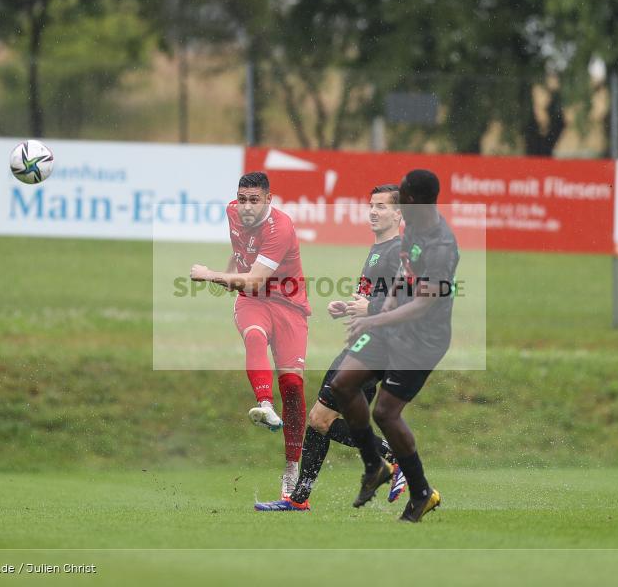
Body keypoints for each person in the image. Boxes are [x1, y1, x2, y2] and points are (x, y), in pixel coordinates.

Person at [254, 184, 408, 512]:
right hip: (367, 343)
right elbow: (375, 296)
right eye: (371, 205)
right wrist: (350, 307)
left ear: (398, 214)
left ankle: (395, 456)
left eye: (381, 206)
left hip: (377, 348)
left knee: (319, 419)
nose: (373, 211)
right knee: (326, 421)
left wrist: (370, 307)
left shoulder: (399, 250)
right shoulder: (380, 248)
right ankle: (301, 497)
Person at [330, 169, 459, 522]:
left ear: (415, 201)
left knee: (385, 413)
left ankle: (421, 493)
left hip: (423, 340)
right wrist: (382, 308)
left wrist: (373, 320)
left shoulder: (442, 247)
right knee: (342, 384)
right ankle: (375, 466)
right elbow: (404, 276)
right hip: (392, 326)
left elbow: (422, 305)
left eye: (402, 196)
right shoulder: (413, 227)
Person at [190, 171, 310, 498]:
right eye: (242, 199)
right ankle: (264, 404)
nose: (246, 206)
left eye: (254, 200)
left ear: (269, 199)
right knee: (254, 335)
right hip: (253, 301)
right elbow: (241, 252)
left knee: (293, 385)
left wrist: (211, 275)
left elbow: (256, 278)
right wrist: (232, 270)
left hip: (289, 306)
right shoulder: (232, 212)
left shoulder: (280, 227)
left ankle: (291, 467)